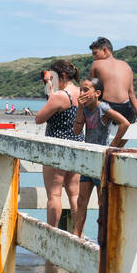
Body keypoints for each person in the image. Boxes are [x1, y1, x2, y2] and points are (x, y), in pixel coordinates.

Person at [71, 78, 131, 239]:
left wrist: (112, 146)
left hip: (101, 163)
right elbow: (77, 131)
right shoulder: (84, 110)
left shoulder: (102, 107)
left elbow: (125, 123)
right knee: (81, 199)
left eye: (86, 90)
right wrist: (79, 109)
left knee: (102, 202)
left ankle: (103, 237)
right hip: (88, 160)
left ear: (97, 93)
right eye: (81, 90)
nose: (82, 93)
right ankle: (77, 233)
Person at [35, 59, 83, 230]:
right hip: (77, 147)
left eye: (54, 77)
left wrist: (50, 89)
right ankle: (79, 234)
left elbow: (39, 118)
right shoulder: (80, 92)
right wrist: (49, 85)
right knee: (75, 194)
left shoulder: (60, 96)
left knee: (54, 194)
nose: (52, 81)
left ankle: (52, 234)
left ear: (62, 76)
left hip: (56, 149)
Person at [87, 37, 137, 131]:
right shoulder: (126, 65)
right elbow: (131, 94)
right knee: (125, 131)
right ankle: (118, 145)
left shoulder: (96, 64)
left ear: (105, 50)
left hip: (108, 110)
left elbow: (90, 89)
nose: (94, 57)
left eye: (95, 53)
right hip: (127, 112)